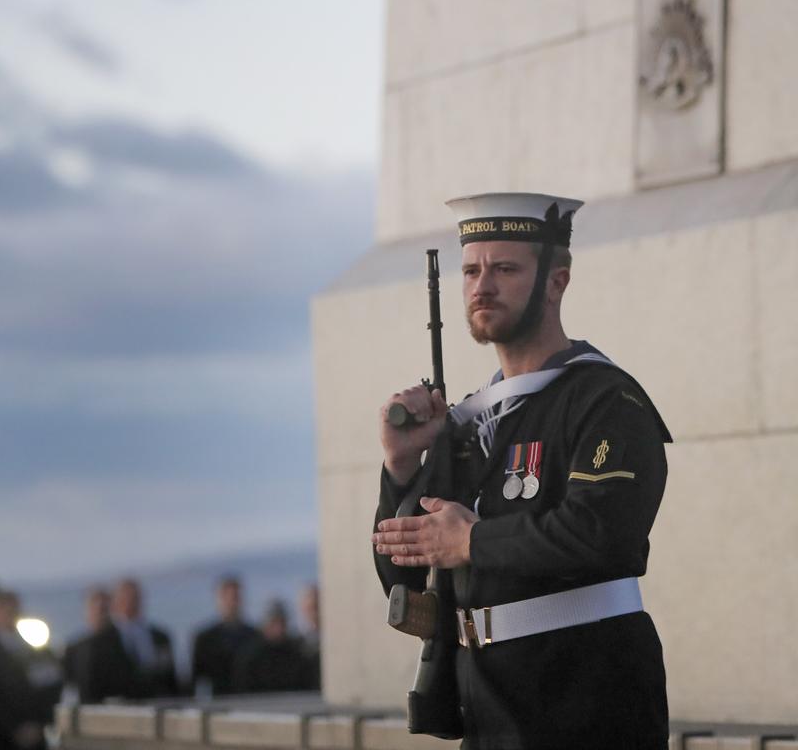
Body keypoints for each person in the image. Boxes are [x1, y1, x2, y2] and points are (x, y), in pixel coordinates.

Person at [371, 193, 671, 750]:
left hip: (586, 702)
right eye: (470, 270)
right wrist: (402, 466)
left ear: (556, 282)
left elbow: (599, 535)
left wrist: (472, 541)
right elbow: (402, 578)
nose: (482, 286)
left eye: (505, 268)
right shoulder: (467, 420)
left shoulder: (605, 400)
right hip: (485, 706)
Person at [0, 590, 62, 750]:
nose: (9, 615)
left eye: (13, 610)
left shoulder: (38, 651)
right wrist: (14, 728)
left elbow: (52, 688)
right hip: (0, 739)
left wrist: (40, 723)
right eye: (4, 610)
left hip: (35, 736)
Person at [62, 586, 139, 704]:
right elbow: (69, 685)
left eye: (104, 608)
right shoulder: (75, 647)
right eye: (94, 607)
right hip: (86, 710)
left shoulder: (125, 642)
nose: (99, 613)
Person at [190, 575, 259, 697]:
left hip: (250, 701)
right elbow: (195, 680)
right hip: (218, 705)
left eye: (235, 597)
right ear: (218, 599)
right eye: (226, 597)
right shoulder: (204, 638)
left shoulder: (256, 635)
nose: (231, 602)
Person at [111, 578, 178, 697]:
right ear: (116, 601)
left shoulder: (161, 636)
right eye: (125, 598)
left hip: (156, 701)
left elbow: (170, 675)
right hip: (121, 705)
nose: (131, 603)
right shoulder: (103, 640)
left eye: (135, 598)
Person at [231, 600, 307, 694]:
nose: (278, 628)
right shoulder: (250, 656)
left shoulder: (296, 654)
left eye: (282, 622)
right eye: (274, 622)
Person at [296, 585, 321, 691]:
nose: (314, 612)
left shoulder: (335, 642)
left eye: (317, 606)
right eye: (311, 607)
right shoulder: (295, 644)